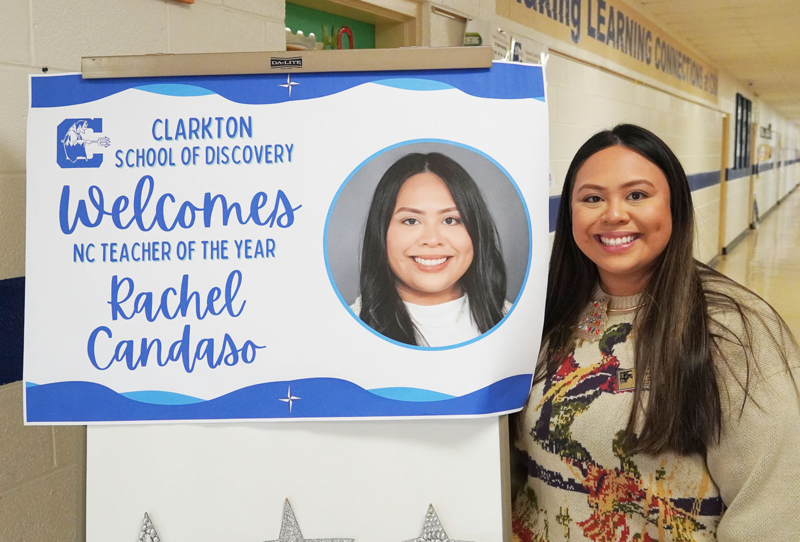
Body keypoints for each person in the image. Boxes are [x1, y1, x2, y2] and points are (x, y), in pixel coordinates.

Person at [512, 124, 800, 541]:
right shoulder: (549, 312)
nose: (613, 214)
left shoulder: (734, 329)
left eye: (637, 195)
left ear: (675, 206)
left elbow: (775, 503)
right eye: (592, 198)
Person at [352, 152, 508, 347]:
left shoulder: (518, 323)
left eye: (450, 220)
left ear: (477, 231)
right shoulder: (345, 331)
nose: (432, 240)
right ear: (381, 231)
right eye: (411, 221)